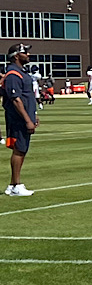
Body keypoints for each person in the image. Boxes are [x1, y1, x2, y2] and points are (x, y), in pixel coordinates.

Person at [4, 43, 37, 196]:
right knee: (19, 149)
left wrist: (33, 115)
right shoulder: (12, 74)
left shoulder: (21, 73)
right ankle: (16, 184)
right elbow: (16, 99)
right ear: (16, 56)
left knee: (22, 150)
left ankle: (12, 185)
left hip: (24, 117)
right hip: (18, 119)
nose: (28, 55)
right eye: (25, 53)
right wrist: (27, 119)